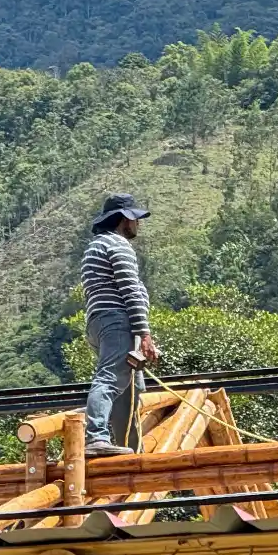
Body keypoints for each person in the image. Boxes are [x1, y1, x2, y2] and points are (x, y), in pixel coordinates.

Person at [81, 193, 159, 456]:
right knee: (111, 379)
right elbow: (130, 291)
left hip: (98, 322)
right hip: (116, 320)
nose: (138, 225)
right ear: (124, 219)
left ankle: (131, 448)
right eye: (135, 219)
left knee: (131, 384)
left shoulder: (95, 246)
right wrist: (144, 334)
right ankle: (96, 438)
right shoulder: (118, 245)